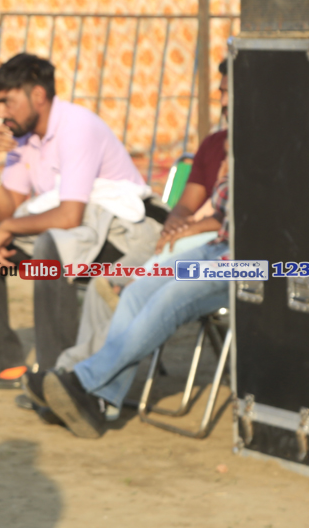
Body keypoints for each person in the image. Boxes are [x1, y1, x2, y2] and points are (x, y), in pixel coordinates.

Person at [23, 63, 229, 420]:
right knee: (126, 290)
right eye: (222, 91)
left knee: (164, 296)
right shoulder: (218, 144)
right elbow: (186, 205)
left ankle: (81, 383)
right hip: (209, 246)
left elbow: (247, 219)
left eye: (228, 92)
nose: (222, 100)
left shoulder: (268, 144)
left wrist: (195, 227)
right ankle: (93, 397)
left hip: (248, 259)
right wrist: (177, 225)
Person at [0, 53, 158, 391]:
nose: (1, 113)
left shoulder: (77, 127)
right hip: (82, 234)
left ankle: (55, 376)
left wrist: (9, 228)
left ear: (38, 96)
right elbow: (8, 214)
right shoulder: (23, 137)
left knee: (52, 244)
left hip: (123, 237)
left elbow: (68, 216)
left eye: (7, 101)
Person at [38, 150, 231, 439]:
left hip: (253, 262)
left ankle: (83, 382)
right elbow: (222, 214)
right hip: (218, 245)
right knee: (137, 291)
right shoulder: (232, 146)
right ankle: (101, 400)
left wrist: (231, 172)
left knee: (170, 297)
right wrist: (188, 226)